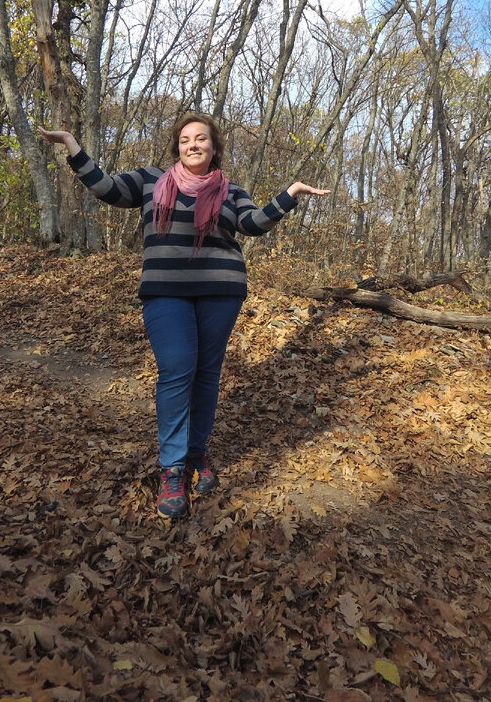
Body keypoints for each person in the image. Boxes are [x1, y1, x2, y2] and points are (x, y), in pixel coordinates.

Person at [37, 113, 329, 519]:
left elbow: (253, 224)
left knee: (207, 373)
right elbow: (105, 188)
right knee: (176, 370)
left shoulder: (230, 190)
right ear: (177, 146)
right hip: (165, 293)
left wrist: (290, 193)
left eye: (202, 139)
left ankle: (197, 453)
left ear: (214, 147)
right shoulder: (151, 181)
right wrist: (71, 143)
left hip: (221, 292)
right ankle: (172, 468)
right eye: (186, 139)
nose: (194, 145)